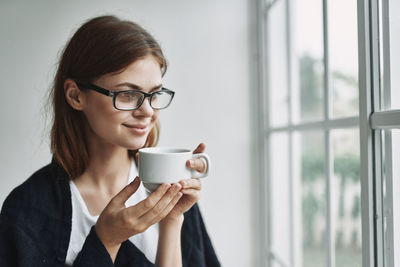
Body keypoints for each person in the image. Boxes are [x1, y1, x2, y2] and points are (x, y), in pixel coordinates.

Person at [0, 15, 220, 267]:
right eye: (127, 94)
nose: (147, 111)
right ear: (75, 96)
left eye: (155, 94)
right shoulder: (27, 210)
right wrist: (106, 241)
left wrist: (171, 221)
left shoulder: (171, 191)